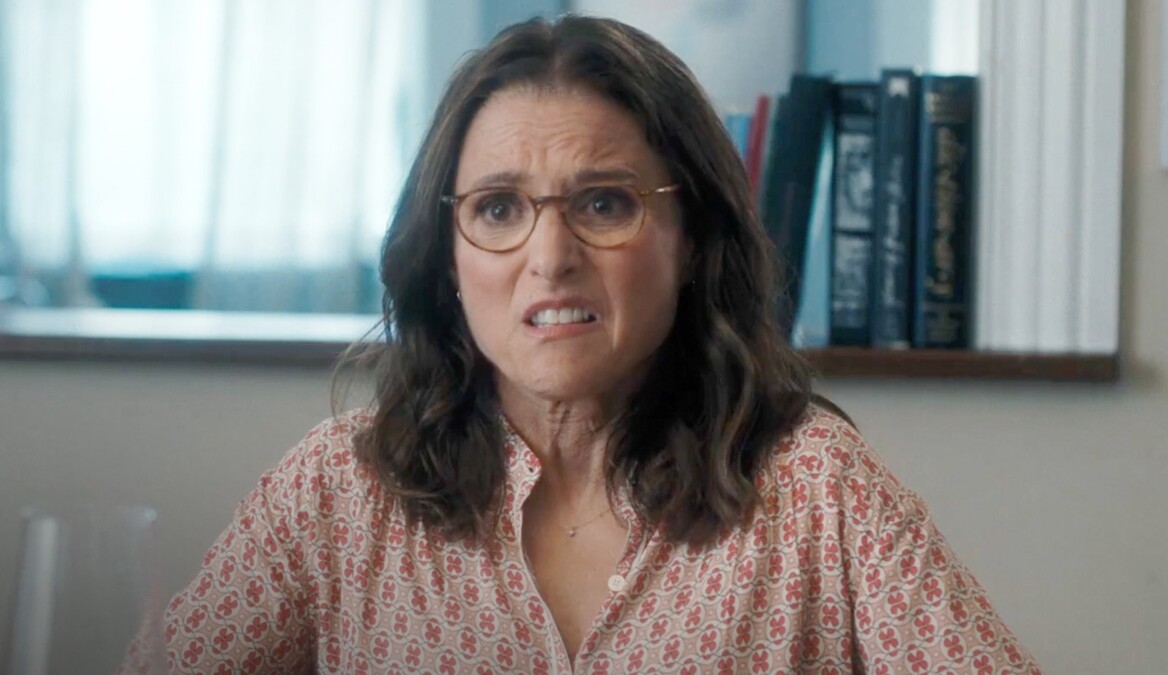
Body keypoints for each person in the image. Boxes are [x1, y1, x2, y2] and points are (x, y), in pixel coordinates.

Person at [151, 15, 1040, 674]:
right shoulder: (334, 493)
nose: (550, 257)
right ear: (448, 256)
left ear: (691, 240)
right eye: (499, 207)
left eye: (605, 203)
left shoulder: (819, 489)